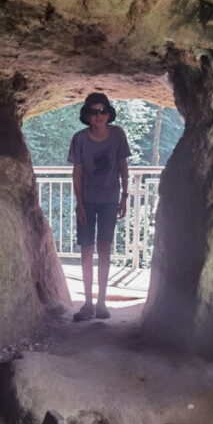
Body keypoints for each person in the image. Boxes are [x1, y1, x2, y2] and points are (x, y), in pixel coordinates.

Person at [67, 92, 131, 321]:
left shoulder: (118, 135)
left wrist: (125, 196)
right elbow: (77, 173)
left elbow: (123, 165)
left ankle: (102, 302)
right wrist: (80, 204)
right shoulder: (80, 139)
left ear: (109, 113)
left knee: (104, 249)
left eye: (103, 111)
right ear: (87, 115)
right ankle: (87, 303)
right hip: (88, 199)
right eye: (94, 112)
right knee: (86, 251)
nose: (99, 116)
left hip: (110, 200)